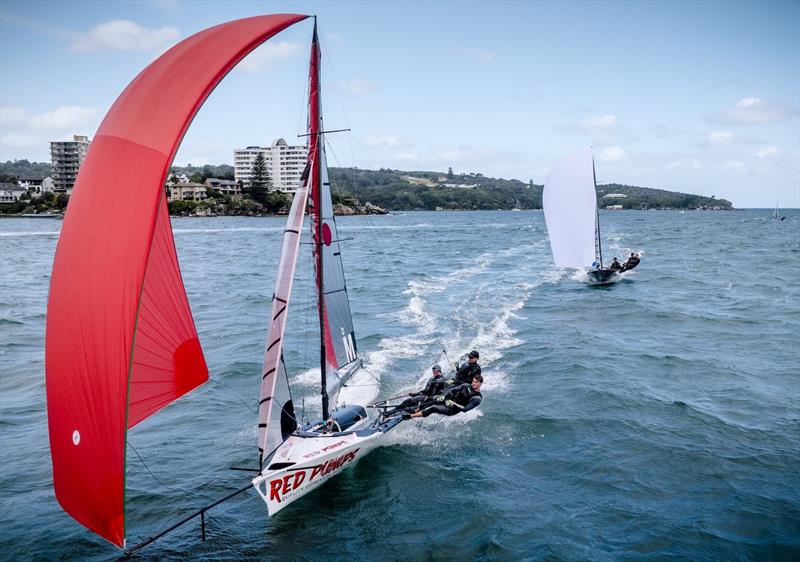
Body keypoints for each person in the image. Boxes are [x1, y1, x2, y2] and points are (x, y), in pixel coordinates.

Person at [403, 374, 483, 419]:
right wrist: (444, 396)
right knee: (431, 399)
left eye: (476, 382)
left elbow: (465, 409)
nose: (473, 383)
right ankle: (415, 411)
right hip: (447, 400)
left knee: (433, 408)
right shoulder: (466, 385)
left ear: (480, 383)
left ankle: (411, 416)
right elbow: (452, 390)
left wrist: (452, 404)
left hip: (452, 409)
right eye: (473, 381)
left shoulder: (477, 398)